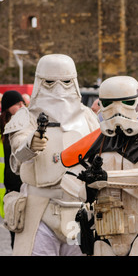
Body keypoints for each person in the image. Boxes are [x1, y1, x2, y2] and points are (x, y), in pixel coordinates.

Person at [4, 54, 100, 256]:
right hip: (39, 210)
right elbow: (17, 153)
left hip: (78, 209)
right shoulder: (25, 117)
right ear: (41, 82)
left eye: (65, 82)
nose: (58, 88)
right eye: (50, 82)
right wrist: (30, 144)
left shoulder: (88, 117)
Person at [60, 76, 138, 256]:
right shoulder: (97, 141)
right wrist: (87, 186)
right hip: (105, 233)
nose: (117, 111)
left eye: (127, 103)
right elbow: (68, 178)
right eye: (108, 103)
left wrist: (106, 178)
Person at [0, 91, 26, 248]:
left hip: (23, 184)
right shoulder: (2, 128)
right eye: (18, 104)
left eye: (23, 103)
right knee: (14, 230)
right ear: (8, 107)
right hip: (8, 188)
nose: (22, 106)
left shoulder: (26, 125)